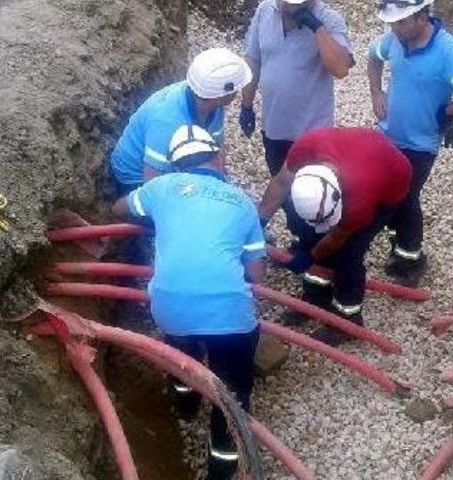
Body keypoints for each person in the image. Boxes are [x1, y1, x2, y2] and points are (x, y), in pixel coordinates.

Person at [112, 125, 266, 480]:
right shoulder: (242, 201)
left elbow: (119, 207)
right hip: (230, 317)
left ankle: (185, 402)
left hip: (170, 310)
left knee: (182, 354)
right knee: (231, 393)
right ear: (219, 157)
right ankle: (222, 468)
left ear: (175, 166)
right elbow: (257, 276)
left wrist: (158, 215)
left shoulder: (161, 188)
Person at [367, 0, 453, 286]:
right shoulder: (395, 39)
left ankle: (411, 259)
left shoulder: (447, 49)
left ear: (422, 16)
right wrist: (376, 92)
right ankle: (400, 244)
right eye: (391, 23)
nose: (394, 29)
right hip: (388, 135)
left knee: (406, 197)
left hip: (420, 144)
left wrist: (446, 113)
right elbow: (374, 56)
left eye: (400, 22)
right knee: (389, 194)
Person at [258, 127, 412, 345]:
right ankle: (315, 299)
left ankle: (348, 317)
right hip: (361, 152)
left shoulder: (360, 199)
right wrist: (258, 223)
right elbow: (281, 182)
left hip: (392, 182)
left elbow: (338, 236)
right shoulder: (305, 148)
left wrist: (309, 257)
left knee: (349, 254)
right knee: (309, 236)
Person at [241, 0, 353, 235]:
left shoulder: (330, 20)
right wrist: (247, 104)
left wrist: (317, 28)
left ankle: (315, 239)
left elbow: (341, 68)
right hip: (274, 126)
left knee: (310, 189)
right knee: (281, 184)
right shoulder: (264, 11)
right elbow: (253, 59)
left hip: (312, 132)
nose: (284, 7)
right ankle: (300, 233)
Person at [109, 47, 252, 196]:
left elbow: (217, 149)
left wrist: (219, 185)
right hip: (134, 177)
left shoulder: (214, 104)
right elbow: (151, 185)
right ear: (225, 94)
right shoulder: (166, 121)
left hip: (175, 165)